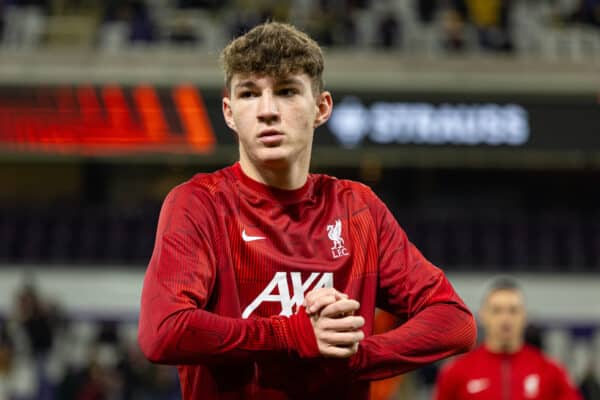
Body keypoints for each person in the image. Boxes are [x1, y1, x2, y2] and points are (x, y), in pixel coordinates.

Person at [138, 21, 477, 400]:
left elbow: (454, 320)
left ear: (321, 107)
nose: (267, 111)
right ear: (229, 113)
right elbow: (163, 330)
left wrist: (352, 357)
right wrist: (293, 335)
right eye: (249, 94)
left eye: (286, 91)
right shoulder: (200, 203)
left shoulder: (356, 209)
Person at [434, 277, 583, 400]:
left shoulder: (550, 371)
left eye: (513, 310)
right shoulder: (456, 372)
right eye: (497, 311)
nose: (505, 319)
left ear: (524, 316)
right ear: (483, 316)